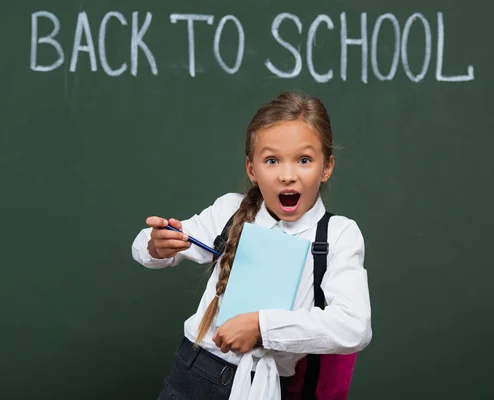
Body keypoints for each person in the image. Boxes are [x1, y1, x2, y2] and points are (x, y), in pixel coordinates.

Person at [131, 91, 372, 400]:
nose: (288, 175)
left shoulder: (339, 235)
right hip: (193, 376)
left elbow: (354, 327)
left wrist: (262, 326)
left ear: (327, 167)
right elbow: (143, 248)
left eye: (304, 160)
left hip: (268, 387)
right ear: (252, 169)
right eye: (271, 160)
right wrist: (156, 245)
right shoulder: (229, 210)